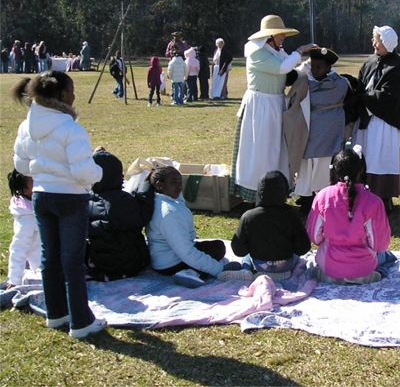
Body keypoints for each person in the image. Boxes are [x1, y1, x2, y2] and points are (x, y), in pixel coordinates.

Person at [12, 70, 107, 339]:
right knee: (72, 262)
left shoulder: (26, 126)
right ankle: (81, 322)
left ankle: (56, 314)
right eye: (72, 90)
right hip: (70, 198)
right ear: (63, 95)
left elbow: (20, 165)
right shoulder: (70, 128)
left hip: (41, 197)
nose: (75, 95)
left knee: (49, 258)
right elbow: (84, 172)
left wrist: (44, 170)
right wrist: (99, 172)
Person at [229, 14, 317, 203]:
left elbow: (289, 74)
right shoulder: (257, 53)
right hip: (260, 105)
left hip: (275, 103)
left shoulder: (277, 52)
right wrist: (300, 50)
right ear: (269, 36)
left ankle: (276, 192)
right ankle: (258, 194)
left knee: (276, 149)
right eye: (280, 34)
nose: (283, 37)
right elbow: (284, 68)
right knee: (261, 150)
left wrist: (306, 66)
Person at [306, 147, 391, 284]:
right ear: (361, 170)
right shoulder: (374, 202)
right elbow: (380, 244)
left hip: (329, 265)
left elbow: (314, 237)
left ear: (335, 171)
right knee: (387, 257)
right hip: (363, 267)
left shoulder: (323, 196)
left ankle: (331, 276)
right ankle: (365, 276)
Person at [346, 25, 400, 212]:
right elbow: (361, 84)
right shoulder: (370, 61)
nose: (374, 43)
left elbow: (389, 96)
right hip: (365, 120)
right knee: (364, 156)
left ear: (387, 43)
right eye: (374, 39)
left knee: (382, 158)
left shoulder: (397, 66)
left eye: (377, 40)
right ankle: (361, 195)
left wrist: (364, 99)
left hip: (384, 122)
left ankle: (384, 197)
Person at [145, 166, 235, 288]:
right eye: (174, 182)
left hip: (163, 259)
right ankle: (189, 272)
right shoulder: (169, 213)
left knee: (217, 246)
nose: (179, 187)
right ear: (159, 185)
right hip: (170, 264)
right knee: (215, 250)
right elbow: (185, 252)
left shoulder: (161, 200)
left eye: (180, 182)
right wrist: (220, 270)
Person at [285, 48, 349, 213]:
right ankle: (306, 196)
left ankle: (323, 196)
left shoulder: (340, 84)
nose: (315, 70)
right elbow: (293, 98)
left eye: (319, 67)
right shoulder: (305, 83)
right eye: (313, 66)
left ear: (329, 68)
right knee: (306, 164)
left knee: (324, 165)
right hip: (310, 132)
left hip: (329, 132)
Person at [85, 150, 153, 282]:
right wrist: (146, 187)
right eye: (119, 173)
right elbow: (142, 216)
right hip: (126, 263)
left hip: (100, 260)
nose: (122, 176)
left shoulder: (88, 198)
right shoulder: (119, 201)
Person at [230, 171, 311, 281]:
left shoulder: (248, 216)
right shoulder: (291, 216)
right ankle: (282, 273)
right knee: (296, 257)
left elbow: (239, 250)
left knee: (247, 257)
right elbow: (303, 248)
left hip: (259, 265)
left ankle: (245, 270)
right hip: (284, 266)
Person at [3, 169, 40, 289]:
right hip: (43, 264)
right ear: (25, 190)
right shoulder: (27, 218)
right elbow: (19, 247)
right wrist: (15, 279)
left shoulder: (39, 202)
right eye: (33, 181)